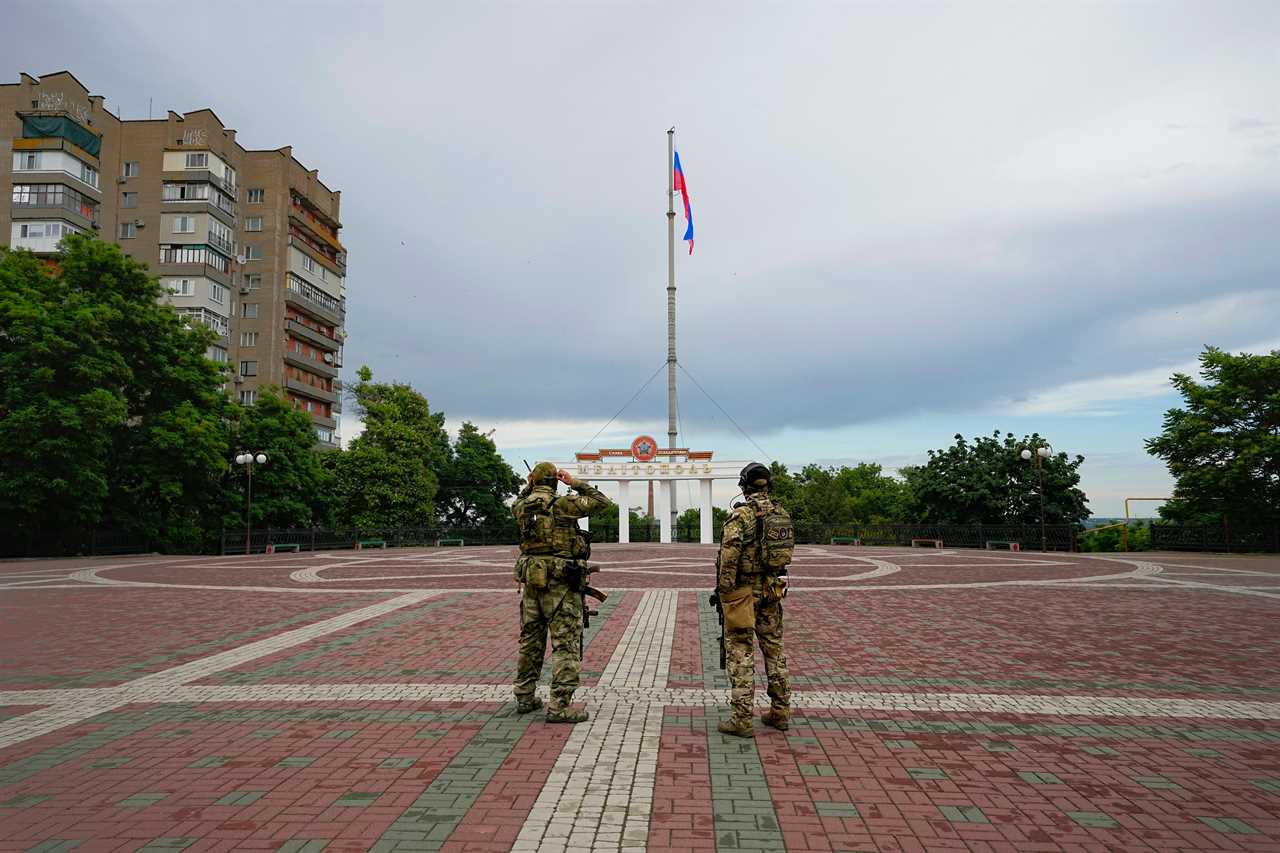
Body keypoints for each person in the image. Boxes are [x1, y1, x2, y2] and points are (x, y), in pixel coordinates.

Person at [512, 462, 612, 723]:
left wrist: (528, 485)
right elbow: (601, 501)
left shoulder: (521, 507)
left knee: (530, 641)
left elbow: (521, 500)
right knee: (565, 644)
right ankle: (559, 706)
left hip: (532, 583)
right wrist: (574, 482)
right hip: (561, 586)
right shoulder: (562, 504)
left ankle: (524, 696)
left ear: (534, 479)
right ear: (555, 480)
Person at [715, 461, 794, 737]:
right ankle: (781, 712)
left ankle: (741, 718)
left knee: (740, 652)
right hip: (772, 591)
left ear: (744, 486)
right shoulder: (781, 514)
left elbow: (729, 558)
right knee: (774, 650)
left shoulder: (741, 517)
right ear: (768, 485)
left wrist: (725, 592)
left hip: (743, 594)